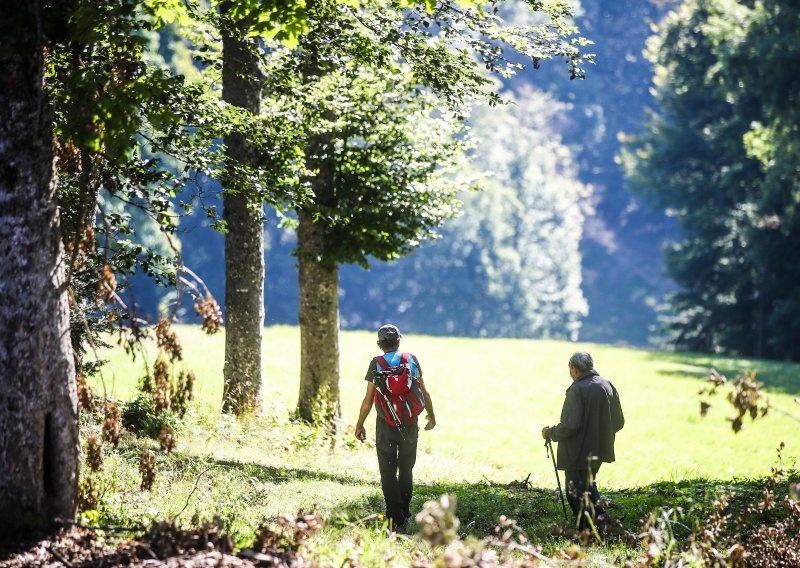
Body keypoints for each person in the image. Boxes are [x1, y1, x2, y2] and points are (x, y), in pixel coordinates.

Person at [354, 324, 436, 530]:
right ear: (399, 341)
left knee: (387, 472)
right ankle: (404, 513)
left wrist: (359, 424)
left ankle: (394, 515)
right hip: (409, 423)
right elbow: (424, 393)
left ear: (379, 344)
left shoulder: (376, 363)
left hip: (385, 424)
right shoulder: (411, 360)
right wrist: (431, 416)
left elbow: (368, 400)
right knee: (406, 469)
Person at [542, 351, 624, 530]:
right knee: (587, 485)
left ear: (574, 369)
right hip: (600, 450)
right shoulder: (608, 385)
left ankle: (587, 531)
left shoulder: (577, 389)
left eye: (570, 369)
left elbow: (570, 426)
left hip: (577, 453)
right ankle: (602, 525)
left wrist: (551, 433)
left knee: (574, 493)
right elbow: (619, 422)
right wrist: (600, 435)